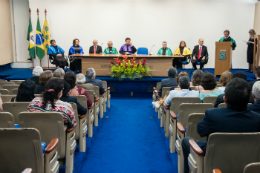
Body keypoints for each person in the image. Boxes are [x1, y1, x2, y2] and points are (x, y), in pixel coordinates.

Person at [181, 78, 260, 173]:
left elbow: (200, 131)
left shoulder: (212, 115)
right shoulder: (257, 119)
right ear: (250, 98)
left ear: (224, 99)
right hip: (248, 161)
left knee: (186, 141)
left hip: (215, 158)